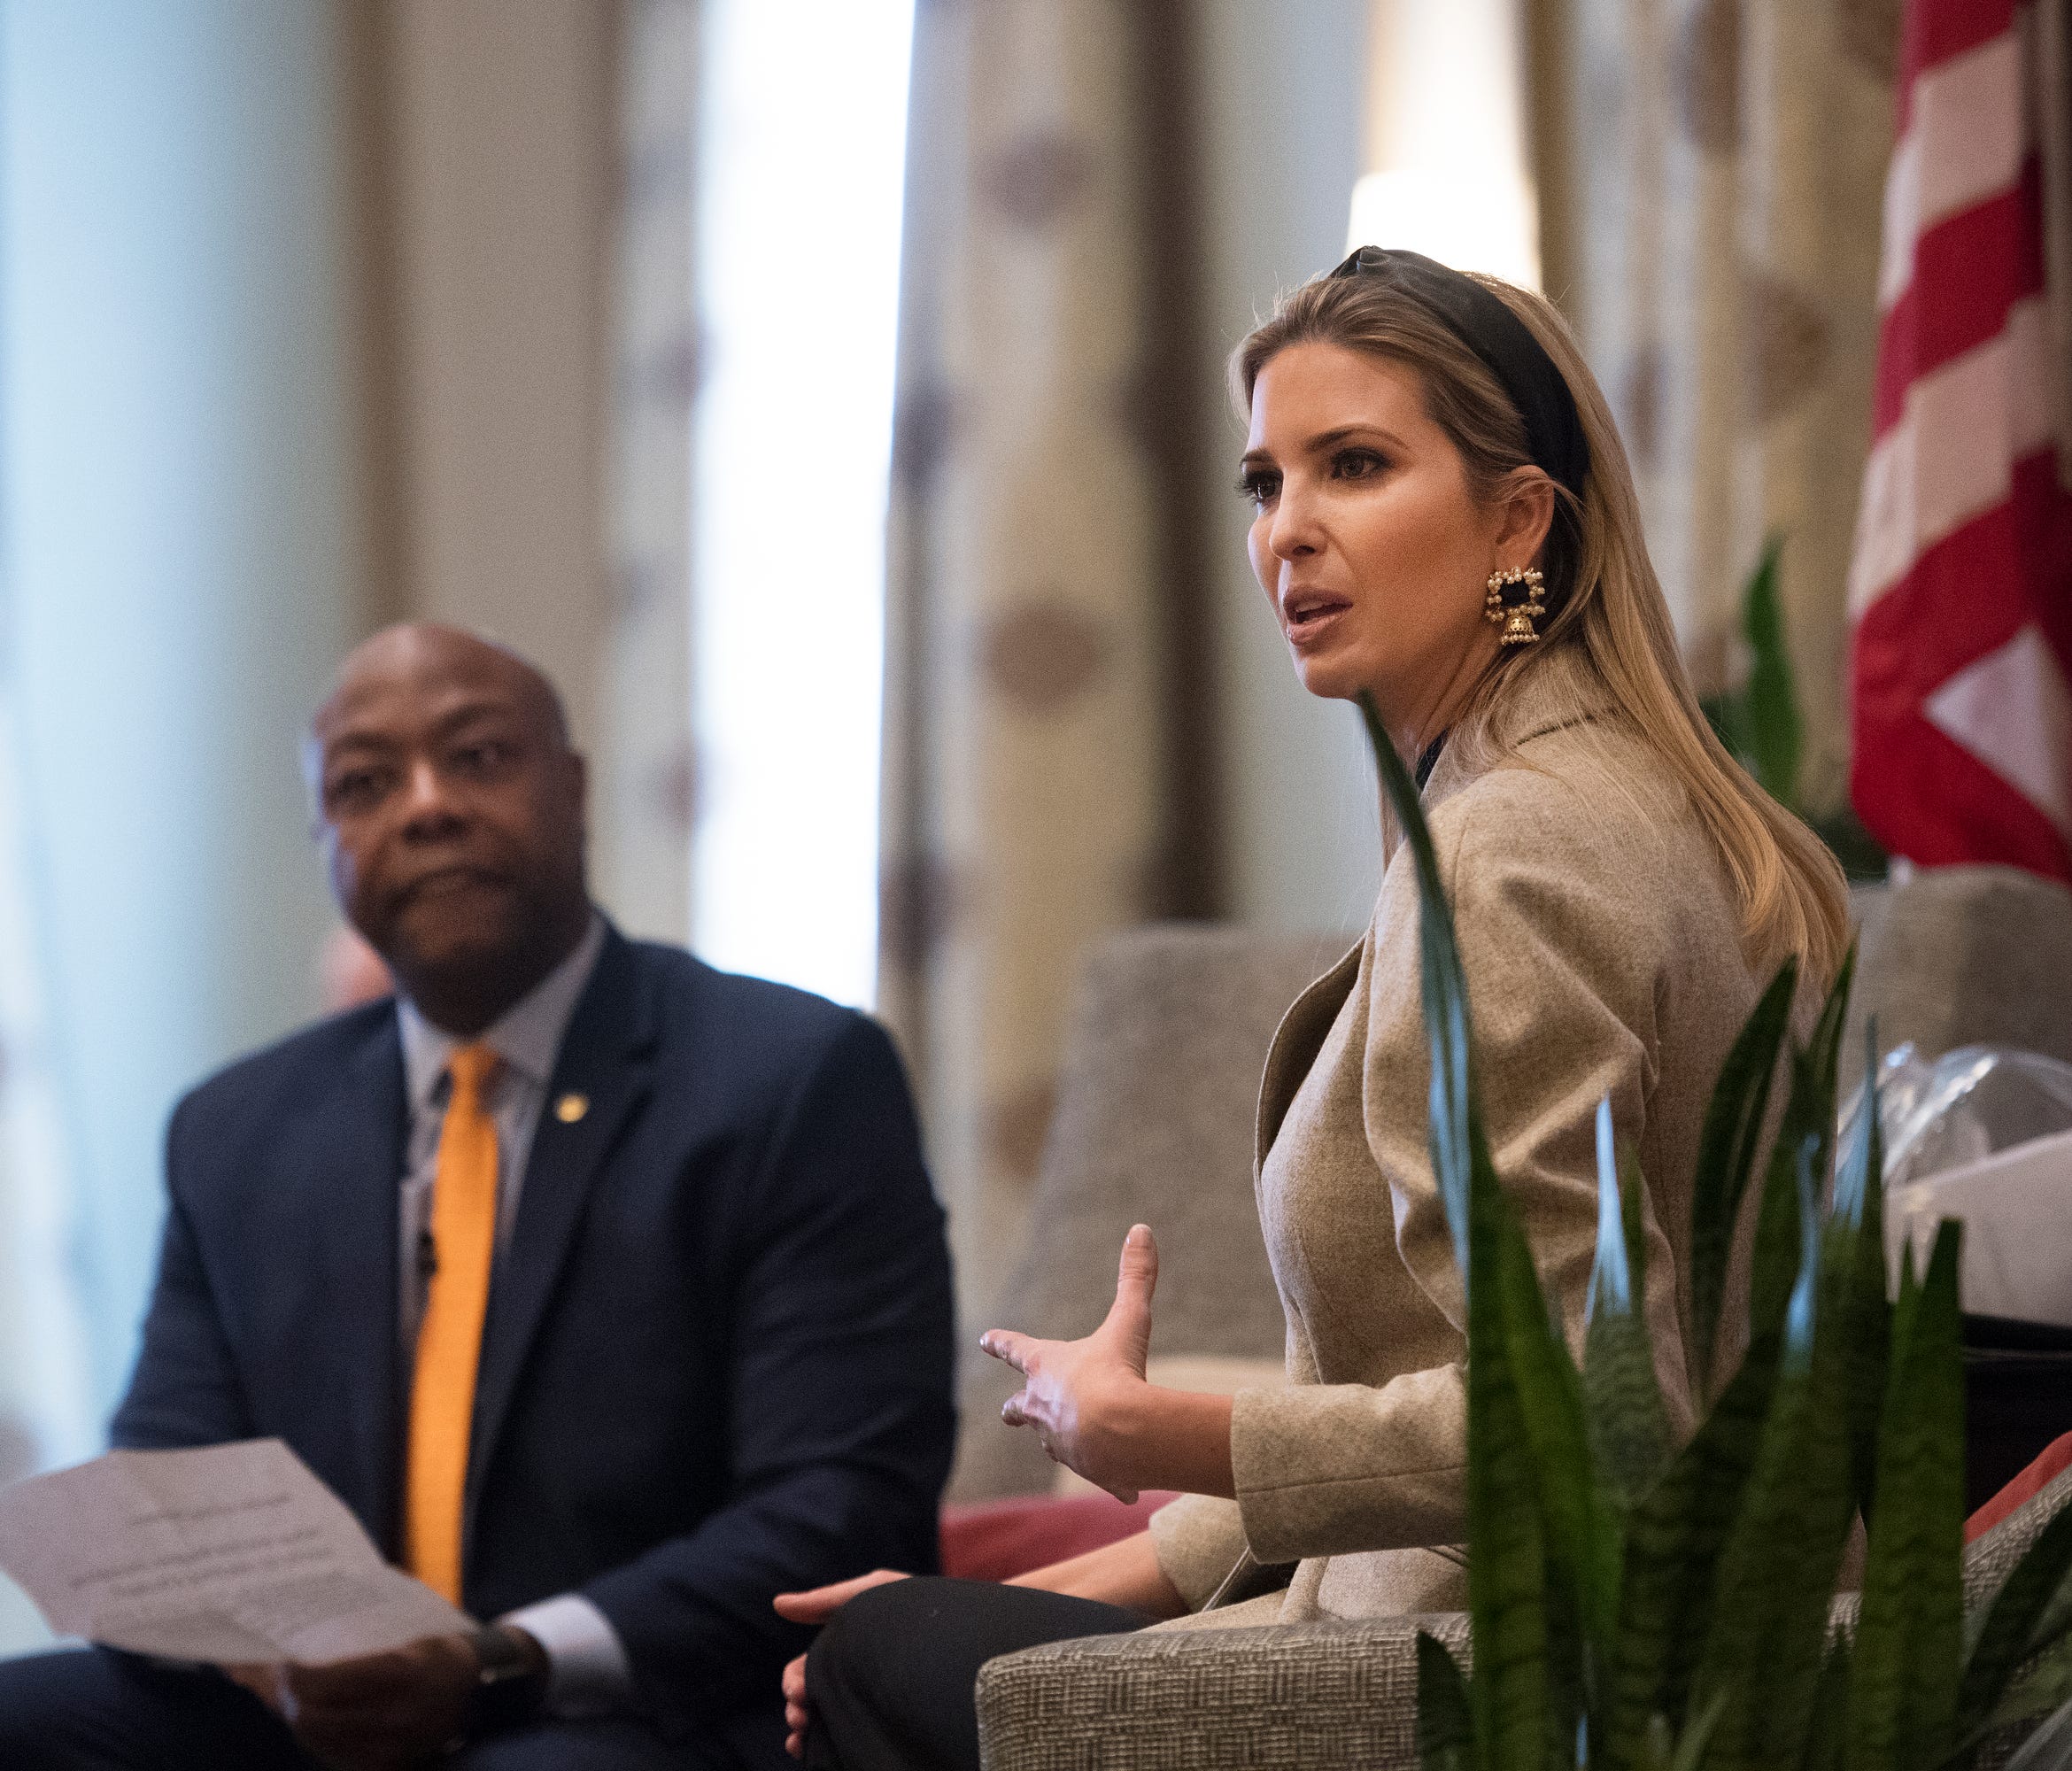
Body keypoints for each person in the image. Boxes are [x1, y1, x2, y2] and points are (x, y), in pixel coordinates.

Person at [776, 248, 1852, 1770]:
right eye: (1264, 483)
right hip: (1586, 1632)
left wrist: (1150, 1435)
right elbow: (1409, 1417)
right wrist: (1036, 1585)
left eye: (1355, 466)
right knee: (904, 1628)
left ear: (1517, 519)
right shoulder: (1623, 801)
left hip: (1526, 1685)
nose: (1289, 533)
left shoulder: (1508, 849)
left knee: (872, 1663)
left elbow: (1575, 1424)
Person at [0, 623, 957, 1771]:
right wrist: (276, 1665)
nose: (425, 807)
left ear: (576, 787)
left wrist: (499, 1661)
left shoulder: (792, 1079)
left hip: (646, 1707)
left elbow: (841, 1507)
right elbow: (168, 1494)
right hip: (312, 1717)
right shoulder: (235, 1131)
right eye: (364, 783)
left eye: (478, 757)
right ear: (326, 839)